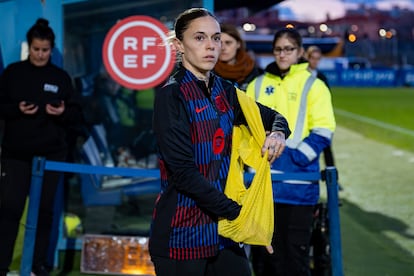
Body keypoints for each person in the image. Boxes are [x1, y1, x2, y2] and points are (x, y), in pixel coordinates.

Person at [149, 8, 291, 276]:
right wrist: (240, 214)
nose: (211, 46)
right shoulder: (172, 95)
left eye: (215, 38)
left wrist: (277, 133)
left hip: (221, 231)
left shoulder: (225, 90)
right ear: (179, 45)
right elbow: (184, 174)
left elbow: (273, 117)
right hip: (182, 233)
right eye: (199, 38)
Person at [246, 28, 336, 276]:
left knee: (293, 260)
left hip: (298, 186)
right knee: (264, 262)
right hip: (261, 186)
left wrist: (295, 158)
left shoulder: (314, 85)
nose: (282, 54)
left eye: (288, 49)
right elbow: (243, 128)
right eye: (278, 49)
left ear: (299, 52)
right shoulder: (257, 84)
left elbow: (324, 129)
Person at [0, 18, 83, 275]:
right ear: (30, 47)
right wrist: (17, 110)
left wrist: (61, 111)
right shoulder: (13, 73)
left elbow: (76, 115)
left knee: (45, 212)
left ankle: (39, 265)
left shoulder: (60, 77)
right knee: (9, 210)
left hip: (50, 156)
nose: (40, 54)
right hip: (16, 156)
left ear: (51, 48)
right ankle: (1, 266)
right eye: (36, 49)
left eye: (45, 50)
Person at [214, 23, 263, 91]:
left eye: (228, 43)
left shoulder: (252, 71)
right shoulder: (208, 72)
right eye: (219, 43)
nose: (223, 48)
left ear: (238, 44)